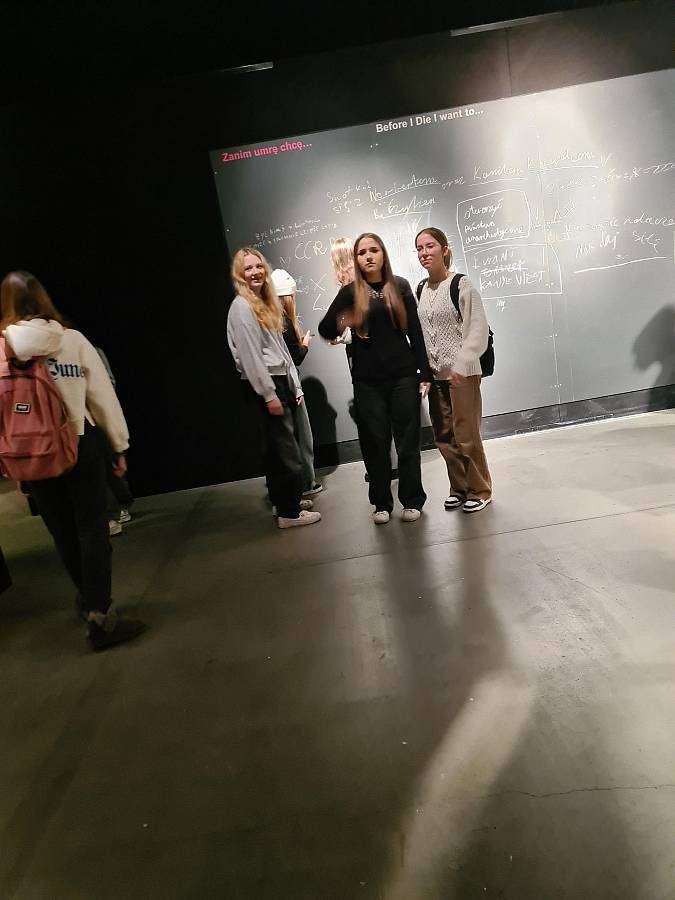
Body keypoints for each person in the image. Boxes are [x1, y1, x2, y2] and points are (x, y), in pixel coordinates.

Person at [0, 270, 146, 650]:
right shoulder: (72, 341)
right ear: (43, 298)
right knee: (92, 529)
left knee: (62, 531)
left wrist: (13, 461)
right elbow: (102, 397)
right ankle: (100, 616)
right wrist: (118, 446)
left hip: (32, 451)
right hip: (80, 444)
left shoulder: (2, 348)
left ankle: (88, 600)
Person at [318, 233, 431, 524]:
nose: (368, 256)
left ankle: (412, 499)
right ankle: (381, 502)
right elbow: (326, 329)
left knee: (407, 442)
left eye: (373, 250)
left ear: (383, 254)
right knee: (375, 443)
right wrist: (345, 320)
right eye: (361, 252)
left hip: (403, 376)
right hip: (367, 381)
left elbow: (416, 332)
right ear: (356, 259)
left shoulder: (400, 286)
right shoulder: (350, 292)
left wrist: (424, 372)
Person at [227, 248, 321, 530]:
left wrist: (291, 385)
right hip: (266, 384)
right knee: (285, 452)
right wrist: (269, 394)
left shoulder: (260, 303)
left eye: (258, 266)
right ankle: (289, 513)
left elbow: (280, 351)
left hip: (277, 381)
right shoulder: (242, 307)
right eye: (248, 268)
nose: (255, 272)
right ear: (239, 275)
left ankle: (286, 502)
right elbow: (250, 356)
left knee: (279, 450)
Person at [414, 228, 492, 513]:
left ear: (444, 249)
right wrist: (424, 373)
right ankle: (458, 488)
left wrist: (462, 364)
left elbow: (478, 329)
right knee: (444, 437)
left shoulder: (461, 284)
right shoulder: (421, 289)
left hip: (463, 374)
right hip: (436, 378)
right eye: (419, 248)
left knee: (466, 435)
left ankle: (480, 489)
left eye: (430, 246)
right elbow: (423, 334)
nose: (424, 253)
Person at [328, 236, 398, 483]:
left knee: (373, 412)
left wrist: (341, 335)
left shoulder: (352, 286)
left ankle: (382, 466)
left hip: (364, 356)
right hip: (375, 355)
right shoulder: (365, 281)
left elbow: (359, 326)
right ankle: (387, 464)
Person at [270, 268, 323, 497]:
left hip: (278, 387)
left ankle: (291, 490)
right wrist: (305, 343)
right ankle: (306, 484)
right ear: (289, 297)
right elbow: (295, 358)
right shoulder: (285, 322)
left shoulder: (269, 320)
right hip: (290, 386)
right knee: (303, 438)